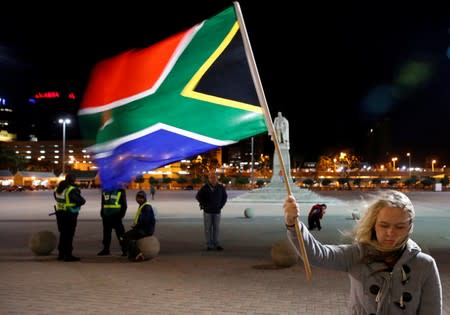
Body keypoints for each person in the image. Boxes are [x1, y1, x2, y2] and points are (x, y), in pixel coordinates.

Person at [284, 190, 442, 314]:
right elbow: (318, 254)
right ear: (374, 224)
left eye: (399, 226)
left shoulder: (425, 265)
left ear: (409, 226)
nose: (390, 233)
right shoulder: (357, 254)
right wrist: (293, 225)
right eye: (384, 225)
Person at [53, 173, 86, 262]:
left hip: (60, 213)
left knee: (63, 234)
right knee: (69, 235)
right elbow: (81, 201)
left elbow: (57, 199)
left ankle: (61, 254)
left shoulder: (58, 188)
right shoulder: (71, 189)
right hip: (69, 214)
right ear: (73, 180)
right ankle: (68, 255)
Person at [196, 172, 228, 251]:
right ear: (209, 179)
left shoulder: (220, 187)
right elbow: (198, 196)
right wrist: (204, 205)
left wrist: (221, 206)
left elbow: (225, 197)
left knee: (216, 228)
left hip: (217, 211)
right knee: (208, 228)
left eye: (215, 178)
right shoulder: (205, 187)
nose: (213, 179)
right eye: (211, 178)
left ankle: (216, 244)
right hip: (208, 211)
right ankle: (209, 245)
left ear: (217, 179)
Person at [123, 190, 156, 261]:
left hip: (144, 230)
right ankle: (133, 254)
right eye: (138, 197)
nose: (139, 199)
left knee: (126, 236)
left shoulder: (146, 207)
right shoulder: (142, 206)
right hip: (142, 229)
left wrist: (138, 228)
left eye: (141, 198)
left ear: (144, 198)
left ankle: (137, 254)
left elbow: (146, 221)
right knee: (127, 236)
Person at [97, 188, 127, 256]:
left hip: (116, 216)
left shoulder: (120, 190)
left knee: (120, 234)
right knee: (106, 234)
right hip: (106, 216)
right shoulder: (105, 190)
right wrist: (102, 213)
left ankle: (125, 249)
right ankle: (106, 249)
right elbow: (103, 202)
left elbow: (124, 204)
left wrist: (121, 215)